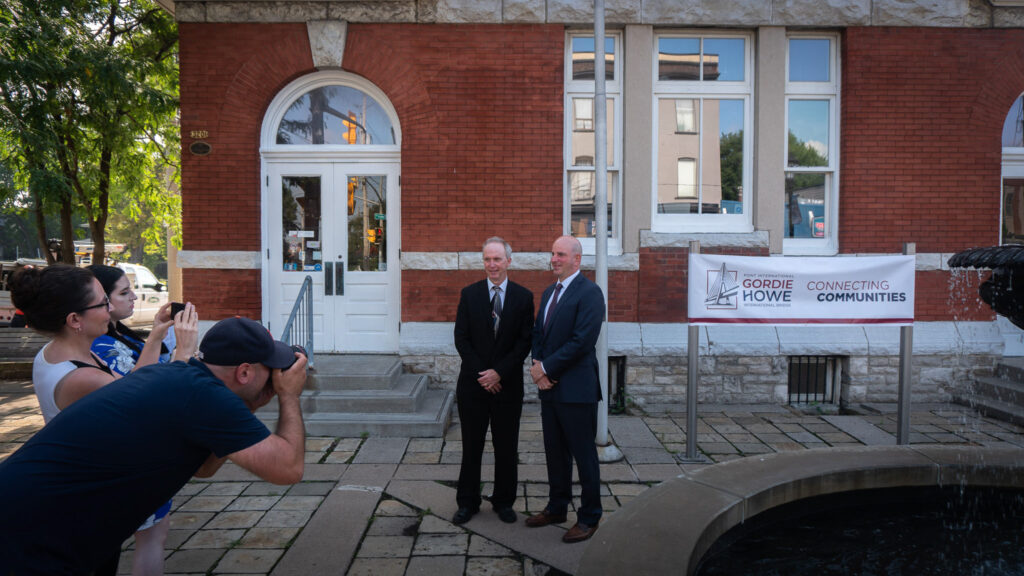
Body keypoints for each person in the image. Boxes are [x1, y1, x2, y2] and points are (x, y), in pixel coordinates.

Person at [0, 316, 307, 575]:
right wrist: (289, 396)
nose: (277, 380)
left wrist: (248, 406)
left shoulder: (177, 377)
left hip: (43, 518)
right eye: (272, 371)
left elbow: (203, 467)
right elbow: (288, 469)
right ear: (243, 372)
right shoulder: (203, 395)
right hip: (33, 534)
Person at [7, 264, 199, 576]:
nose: (111, 309)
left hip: (81, 487)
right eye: (103, 303)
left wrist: (156, 334)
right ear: (74, 320)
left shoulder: (64, 353)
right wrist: (184, 354)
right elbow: (153, 406)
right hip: (84, 499)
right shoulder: (82, 377)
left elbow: (136, 382)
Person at [88, 263, 198, 575]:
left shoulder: (118, 337)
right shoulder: (101, 348)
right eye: (123, 292)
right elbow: (144, 391)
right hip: (125, 455)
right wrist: (183, 353)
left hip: (140, 450)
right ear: (99, 301)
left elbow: (147, 372)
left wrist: (160, 333)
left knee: (154, 534)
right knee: (144, 539)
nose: (134, 297)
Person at [526, 235, 605, 543]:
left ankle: (589, 517)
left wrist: (546, 368)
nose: (554, 258)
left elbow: (582, 341)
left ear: (576, 259)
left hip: (577, 390)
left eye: (561, 254)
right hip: (550, 390)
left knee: (584, 457)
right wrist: (538, 369)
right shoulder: (548, 293)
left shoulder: (590, 293)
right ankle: (557, 507)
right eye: (552, 253)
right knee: (555, 454)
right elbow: (538, 335)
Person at [452, 237, 534, 525]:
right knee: (471, 445)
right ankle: (468, 501)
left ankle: (504, 501)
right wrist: (484, 375)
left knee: (506, 446)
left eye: (497, 259)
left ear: (509, 261)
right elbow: (461, 339)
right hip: (473, 386)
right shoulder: (469, 294)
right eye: (487, 259)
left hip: (507, 386)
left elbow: (524, 342)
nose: (492, 265)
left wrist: (499, 372)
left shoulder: (524, 298)